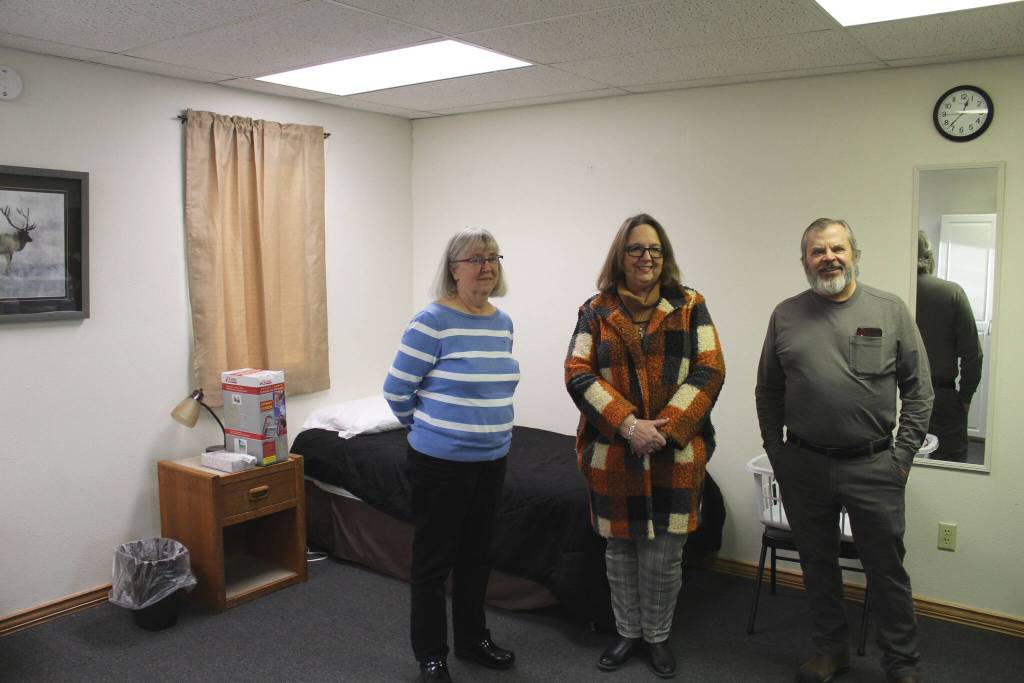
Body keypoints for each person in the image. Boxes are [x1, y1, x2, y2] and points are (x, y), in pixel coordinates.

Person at [755, 218, 934, 683]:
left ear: (854, 253)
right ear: (804, 261)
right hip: (805, 464)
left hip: (874, 465)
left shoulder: (890, 309)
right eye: (817, 251)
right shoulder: (786, 315)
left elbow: (920, 392)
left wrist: (901, 460)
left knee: (886, 569)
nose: (828, 258)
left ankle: (902, 663)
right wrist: (779, 455)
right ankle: (830, 650)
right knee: (816, 563)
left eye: (837, 248)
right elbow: (768, 391)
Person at [565, 213, 725, 679]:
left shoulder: (691, 305)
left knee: (665, 554)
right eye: (636, 249)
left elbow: (710, 370)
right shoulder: (595, 310)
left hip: (675, 451)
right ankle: (627, 632)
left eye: (654, 249)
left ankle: (657, 636)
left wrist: (666, 427)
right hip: (613, 451)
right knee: (619, 550)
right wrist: (629, 425)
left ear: (665, 256)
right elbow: (578, 372)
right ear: (621, 256)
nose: (646, 257)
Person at [383, 228, 520, 683]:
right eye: (475, 258)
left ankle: (473, 639)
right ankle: (431, 655)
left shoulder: (502, 323)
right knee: (433, 562)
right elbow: (397, 390)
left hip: (492, 459)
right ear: (453, 269)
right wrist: (428, 430)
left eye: (492, 257)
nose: (486, 265)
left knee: (478, 556)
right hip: (440, 464)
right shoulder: (431, 321)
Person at [915, 231, 983, 462]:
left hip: (895, 398)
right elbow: (973, 354)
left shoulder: (887, 295)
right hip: (941, 399)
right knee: (950, 469)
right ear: (929, 257)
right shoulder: (952, 293)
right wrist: (965, 398)